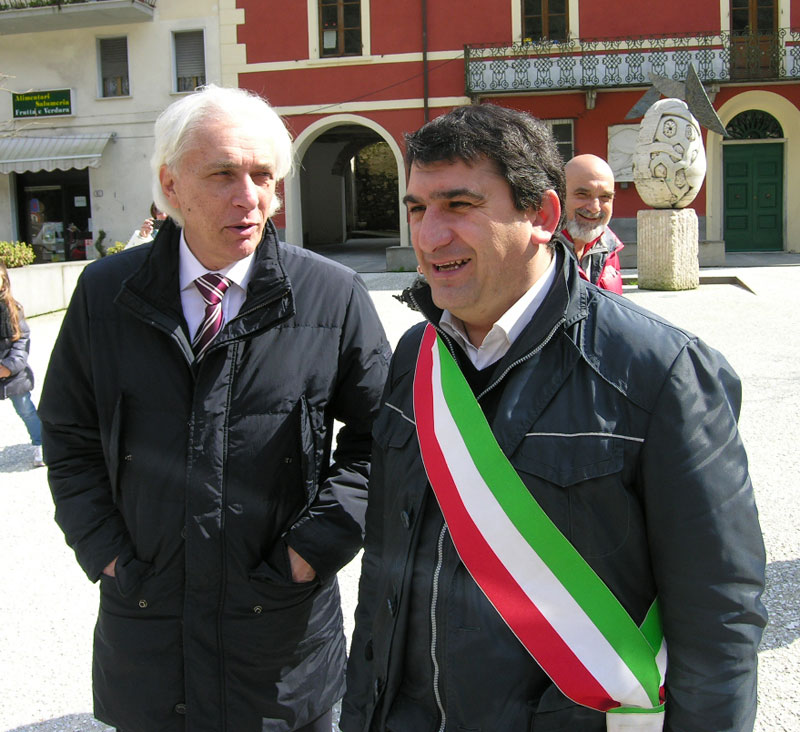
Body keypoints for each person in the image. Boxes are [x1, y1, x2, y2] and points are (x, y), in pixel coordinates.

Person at [341, 105, 766, 732]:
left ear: (541, 216)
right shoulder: (414, 357)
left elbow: (719, 613)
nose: (428, 237)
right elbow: (383, 574)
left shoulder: (662, 372)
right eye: (416, 208)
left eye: (460, 205)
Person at [39, 84, 391, 732]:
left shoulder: (331, 295)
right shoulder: (104, 293)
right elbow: (67, 435)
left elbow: (387, 440)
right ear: (171, 186)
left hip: (281, 645)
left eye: (263, 175)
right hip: (149, 637)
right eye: (224, 173)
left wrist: (309, 552)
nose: (250, 197)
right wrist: (107, 554)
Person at [0, 262, 44, 468]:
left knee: (25, 409)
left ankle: (41, 443)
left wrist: (9, 366)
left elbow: (22, 339)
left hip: (13, 373)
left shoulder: (13, 308)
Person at [562, 153, 624, 294]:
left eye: (605, 197)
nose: (595, 207)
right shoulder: (536, 252)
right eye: (583, 195)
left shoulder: (610, 249)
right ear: (559, 195)